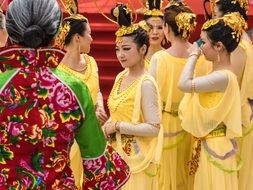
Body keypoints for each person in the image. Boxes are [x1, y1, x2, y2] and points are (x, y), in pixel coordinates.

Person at [0, 0, 130, 189]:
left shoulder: (4, 86)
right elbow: (100, 167)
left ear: (11, 31)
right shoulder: (74, 88)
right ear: (55, 33)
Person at [178, 12, 244, 190]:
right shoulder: (218, 75)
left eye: (203, 42)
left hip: (216, 146)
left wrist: (193, 55)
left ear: (219, 46)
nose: (200, 46)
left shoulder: (223, 77)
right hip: (210, 144)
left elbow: (183, 84)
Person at [149, 1, 211, 189]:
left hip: (166, 125)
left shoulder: (159, 58)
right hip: (195, 125)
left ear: (166, 28)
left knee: (165, 179)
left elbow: (150, 98)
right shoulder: (203, 58)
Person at [102, 3, 163, 190]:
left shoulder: (146, 83)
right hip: (116, 153)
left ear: (143, 49)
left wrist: (118, 126)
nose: (120, 55)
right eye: (117, 50)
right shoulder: (121, 76)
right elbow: (116, 112)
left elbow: (154, 127)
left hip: (136, 159)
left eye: (126, 49)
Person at [54, 7, 108, 188]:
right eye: (89, 34)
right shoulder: (58, 71)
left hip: (95, 132)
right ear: (78, 38)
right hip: (74, 138)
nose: (92, 39)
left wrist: (100, 106)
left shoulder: (91, 61)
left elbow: (98, 90)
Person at [204, 1, 253, 188]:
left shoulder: (239, 45)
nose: (213, 19)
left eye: (216, 15)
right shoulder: (238, 41)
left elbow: (230, 85)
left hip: (236, 119)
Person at [142, 0, 165, 69]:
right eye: (150, 27)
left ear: (166, 30)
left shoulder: (169, 56)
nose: (155, 32)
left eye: (160, 28)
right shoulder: (136, 57)